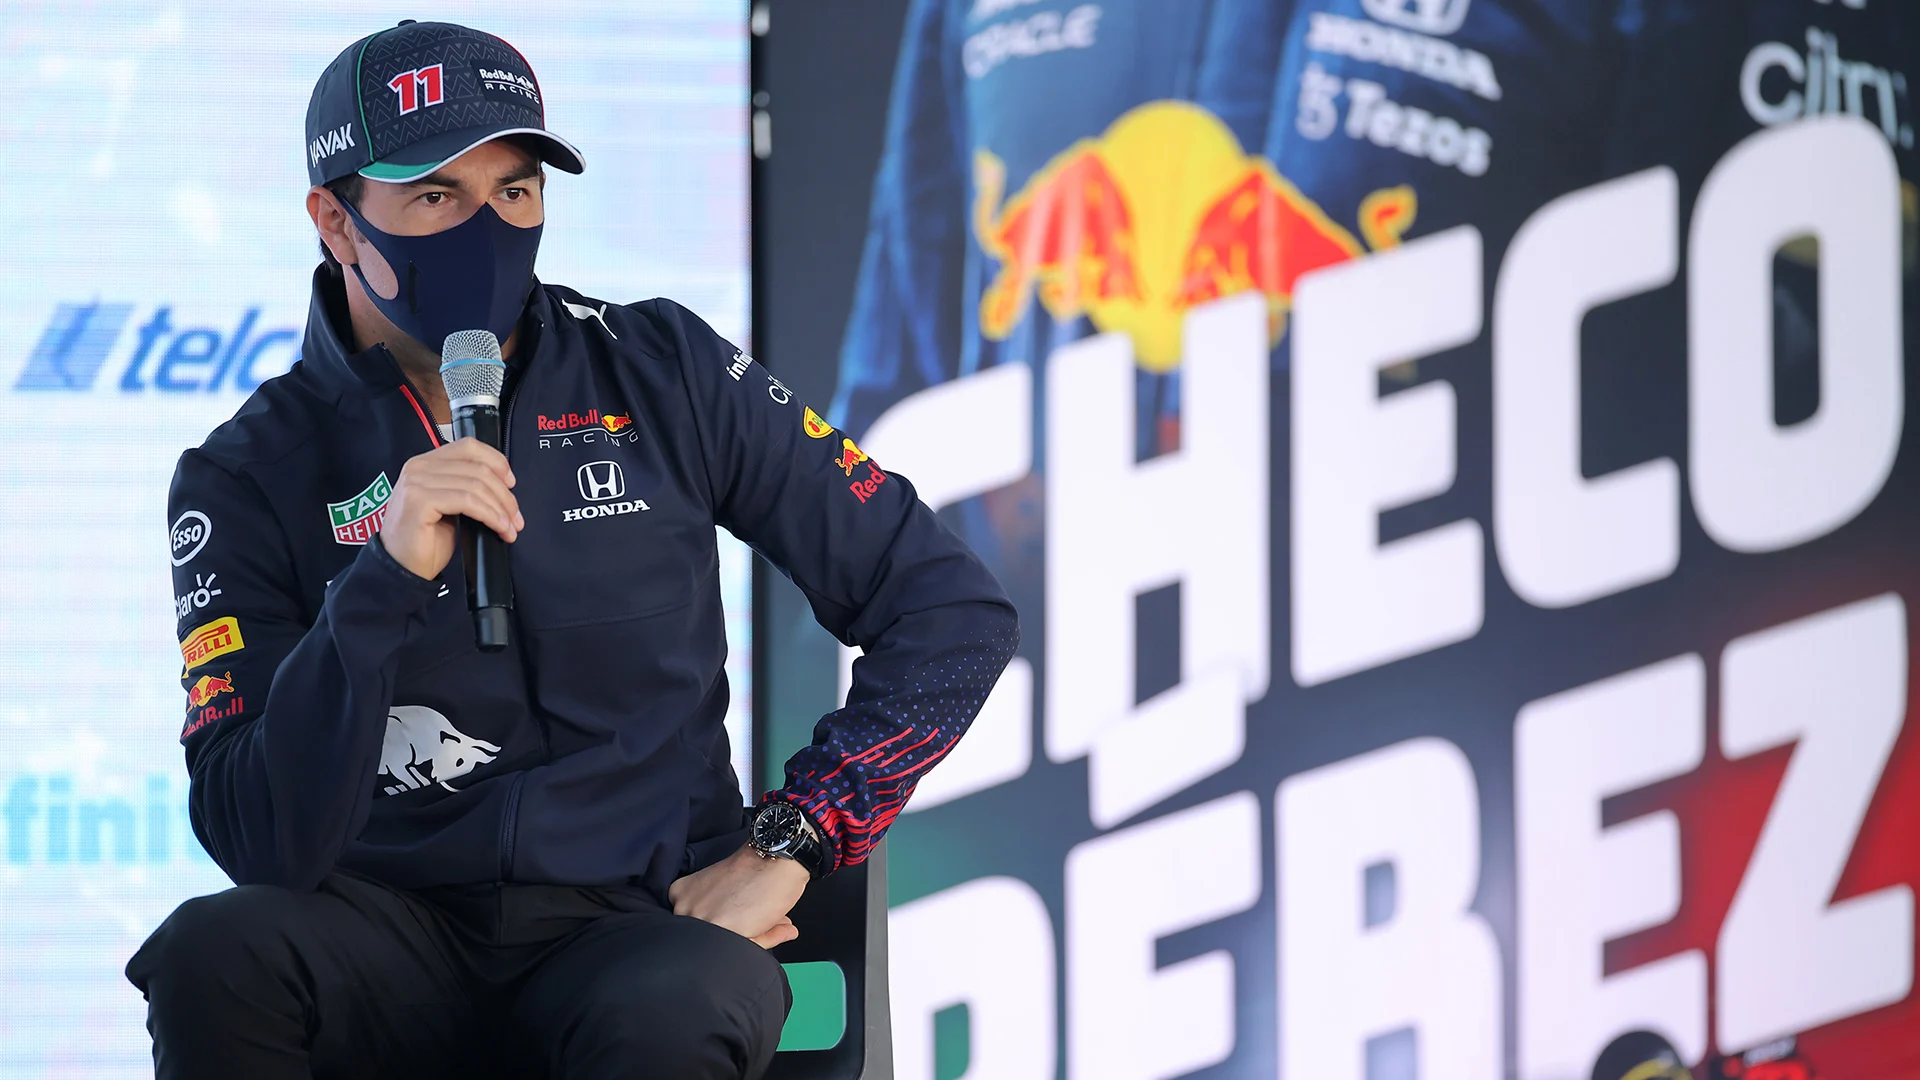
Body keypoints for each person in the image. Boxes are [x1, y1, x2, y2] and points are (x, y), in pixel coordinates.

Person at [124, 19, 1019, 1080]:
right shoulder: (245, 471)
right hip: (386, 935)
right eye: (433, 197)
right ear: (335, 221)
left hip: (636, 929)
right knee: (211, 954)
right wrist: (383, 584)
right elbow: (258, 840)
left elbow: (950, 616)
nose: (485, 227)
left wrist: (792, 842)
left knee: (678, 1001)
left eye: (513, 191)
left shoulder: (663, 369)